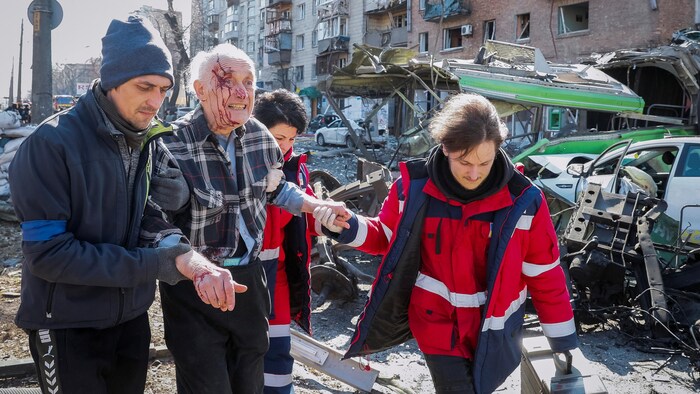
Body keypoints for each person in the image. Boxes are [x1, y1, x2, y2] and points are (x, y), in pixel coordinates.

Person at [8, 16, 243, 394]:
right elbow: (49, 255)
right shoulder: (50, 145)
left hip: (131, 321)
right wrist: (157, 264)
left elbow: (143, 217)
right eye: (145, 86)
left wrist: (186, 252)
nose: (155, 101)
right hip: (67, 324)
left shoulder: (144, 139)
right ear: (112, 80)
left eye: (164, 89)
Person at [313, 93, 578, 394]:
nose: (475, 173)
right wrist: (346, 226)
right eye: (464, 162)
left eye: (485, 162)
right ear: (445, 148)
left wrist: (563, 342)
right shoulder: (412, 190)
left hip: (494, 331)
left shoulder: (524, 203)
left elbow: (545, 277)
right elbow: (386, 237)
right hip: (435, 325)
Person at [144, 43, 350, 394]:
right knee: (206, 383)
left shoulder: (260, 138)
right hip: (195, 285)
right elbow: (152, 223)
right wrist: (195, 266)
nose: (242, 92)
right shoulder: (168, 144)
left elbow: (277, 189)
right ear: (200, 90)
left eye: (249, 82)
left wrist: (315, 207)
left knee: (249, 380)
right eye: (228, 80)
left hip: (251, 281)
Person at [253, 89, 315, 393]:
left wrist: (329, 217)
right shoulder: (241, 165)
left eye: (292, 139)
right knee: (243, 354)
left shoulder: (296, 167)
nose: (286, 147)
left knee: (277, 354)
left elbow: (309, 215)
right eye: (279, 138)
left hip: (276, 276)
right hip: (241, 273)